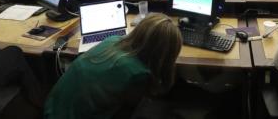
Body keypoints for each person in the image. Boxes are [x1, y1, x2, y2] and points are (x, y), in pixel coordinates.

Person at [44, 14, 181, 119]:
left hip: (51, 108)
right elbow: (133, 103)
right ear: (163, 53)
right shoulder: (138, 73)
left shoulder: (112, 40)